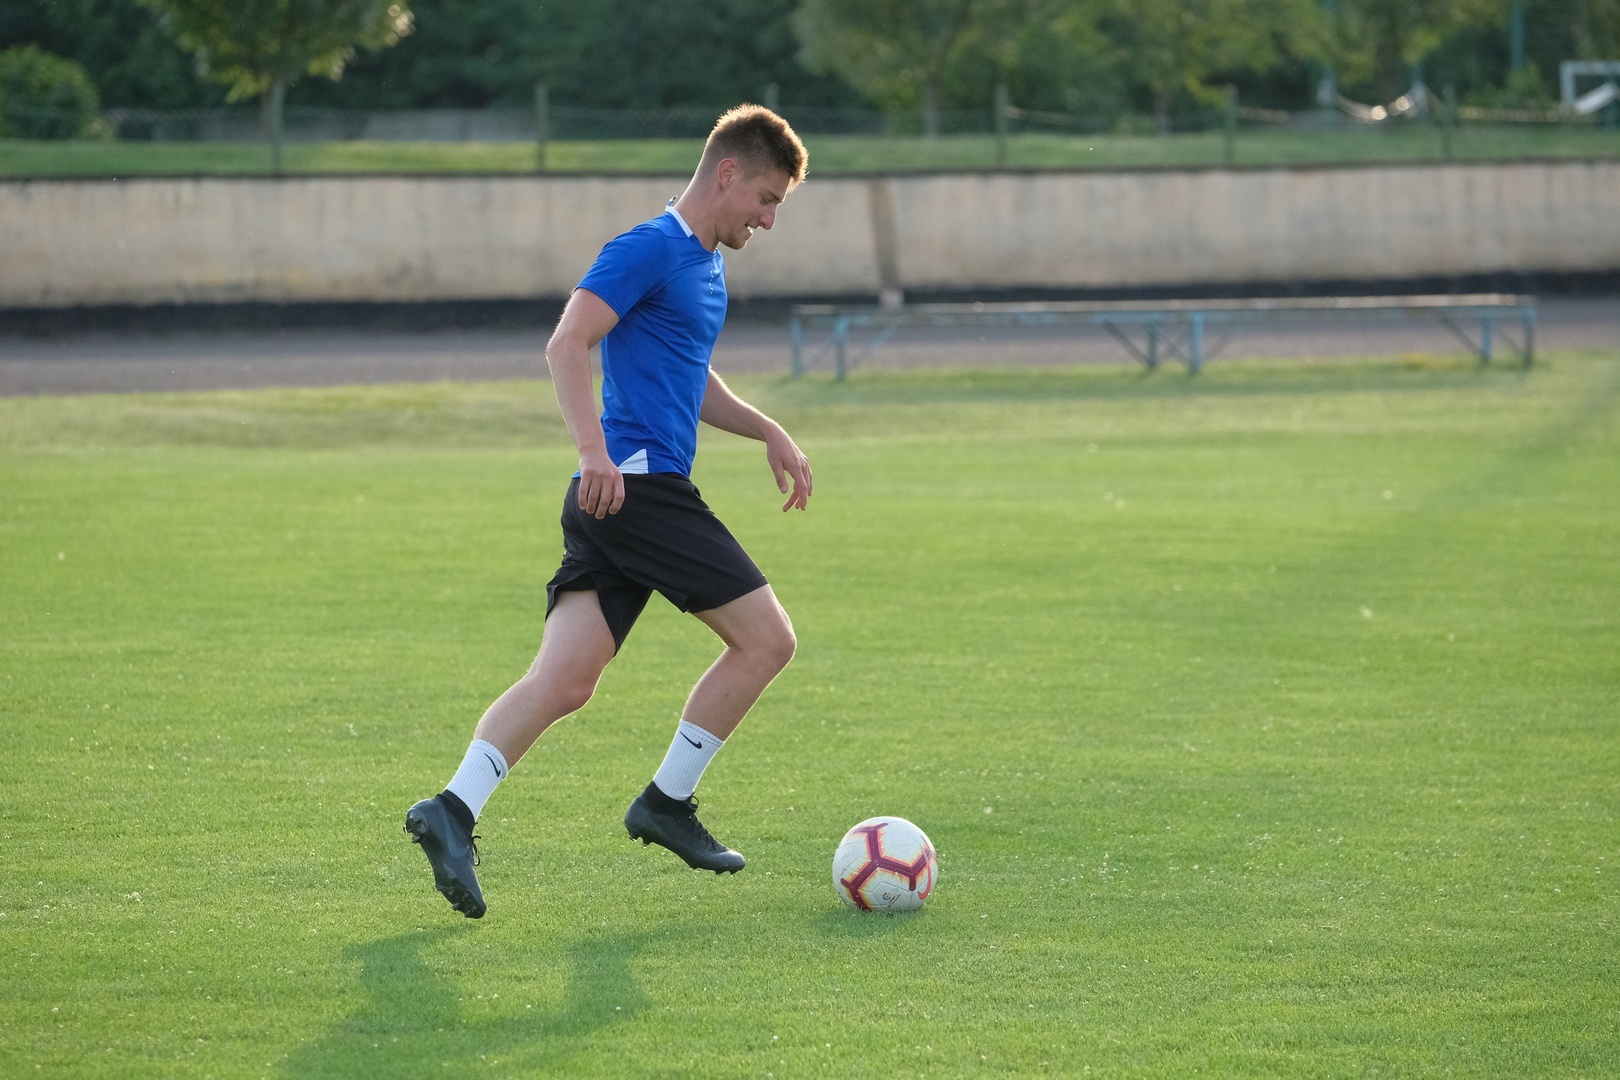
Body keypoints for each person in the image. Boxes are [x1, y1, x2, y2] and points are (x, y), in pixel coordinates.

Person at [404, 105, 813, 919]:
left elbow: (688, 375)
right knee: (768, 641)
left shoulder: (702, 264)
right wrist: (592, 450)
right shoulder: (648, 246)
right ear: (728, 173)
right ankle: (667, 801)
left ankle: (450, 809)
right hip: (639, 488)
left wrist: (765, 427)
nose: (768, 220)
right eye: (766, 199)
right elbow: (567, 342)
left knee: (565, 681)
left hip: (615, 498)